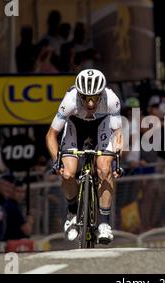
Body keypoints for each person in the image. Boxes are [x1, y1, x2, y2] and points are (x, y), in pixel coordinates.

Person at [46, 69, 123, 244]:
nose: (89, 103)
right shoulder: (69, 101)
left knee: (104, 169)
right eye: (85, 97)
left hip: (101, 126)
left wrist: (117, 161)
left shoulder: (112, 100)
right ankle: (72, 211)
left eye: (95, 98)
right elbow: (51, 135)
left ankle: (104, 223)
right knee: (68, 173)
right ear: (78, 94)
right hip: (75, 127)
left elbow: (118, 134)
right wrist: (56, 161)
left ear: (101, 94)